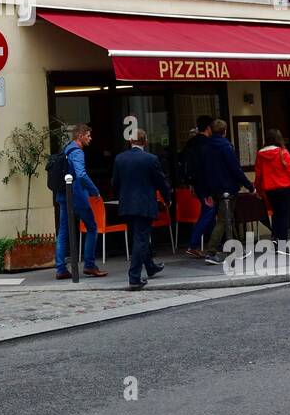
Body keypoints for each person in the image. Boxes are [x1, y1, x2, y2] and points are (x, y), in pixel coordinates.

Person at [112, 130, 172, 290]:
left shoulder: (120, 158)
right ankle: (134, 277)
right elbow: (161, 182)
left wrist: (121, 197)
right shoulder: (150, 159)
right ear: (145, 142)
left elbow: (114, 183)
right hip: (144, 204)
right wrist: (168, 198)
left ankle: (150, 267)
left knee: (139, 237)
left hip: (127, 205)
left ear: (130, 141)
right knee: (141, 239)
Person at [53, 123, 106, 279]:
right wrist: (94, 191)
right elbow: (81, 175)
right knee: (92, 227)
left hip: (63, 195)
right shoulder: (77, 152)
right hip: (76, 196)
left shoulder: (67, 148)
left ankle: (61, 268)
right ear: (80, 136)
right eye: (88, 135)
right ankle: (89, 265)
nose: (90, 138)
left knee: (63, 231)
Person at [254, 130, 290, 248]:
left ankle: (276, 238)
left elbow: (258, 175)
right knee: (284, 216)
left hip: (269, 190)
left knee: (275, 215)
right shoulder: (283, 152)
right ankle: (282, 243)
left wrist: (258, 189)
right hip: (285, 189)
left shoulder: (260, 154)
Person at [206, 119, 255, 245]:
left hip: (213, 188)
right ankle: (211, 251)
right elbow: (235, 169)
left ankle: (236, 246)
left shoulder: (206, 146)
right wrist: (249, 186)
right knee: (224, 220)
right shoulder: (226, 146)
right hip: (227, 188)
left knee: (228, 218)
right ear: (225, 131)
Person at [181, 116, 220, 263]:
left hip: (196, 183)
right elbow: (208, 168)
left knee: (207, 212)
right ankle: (194, 243)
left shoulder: (191, 143)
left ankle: (209, 243)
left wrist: (190, 183)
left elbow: (186, 164)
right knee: (208, 211)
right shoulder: (207, 144)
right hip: (205, 185)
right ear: (209, 128)